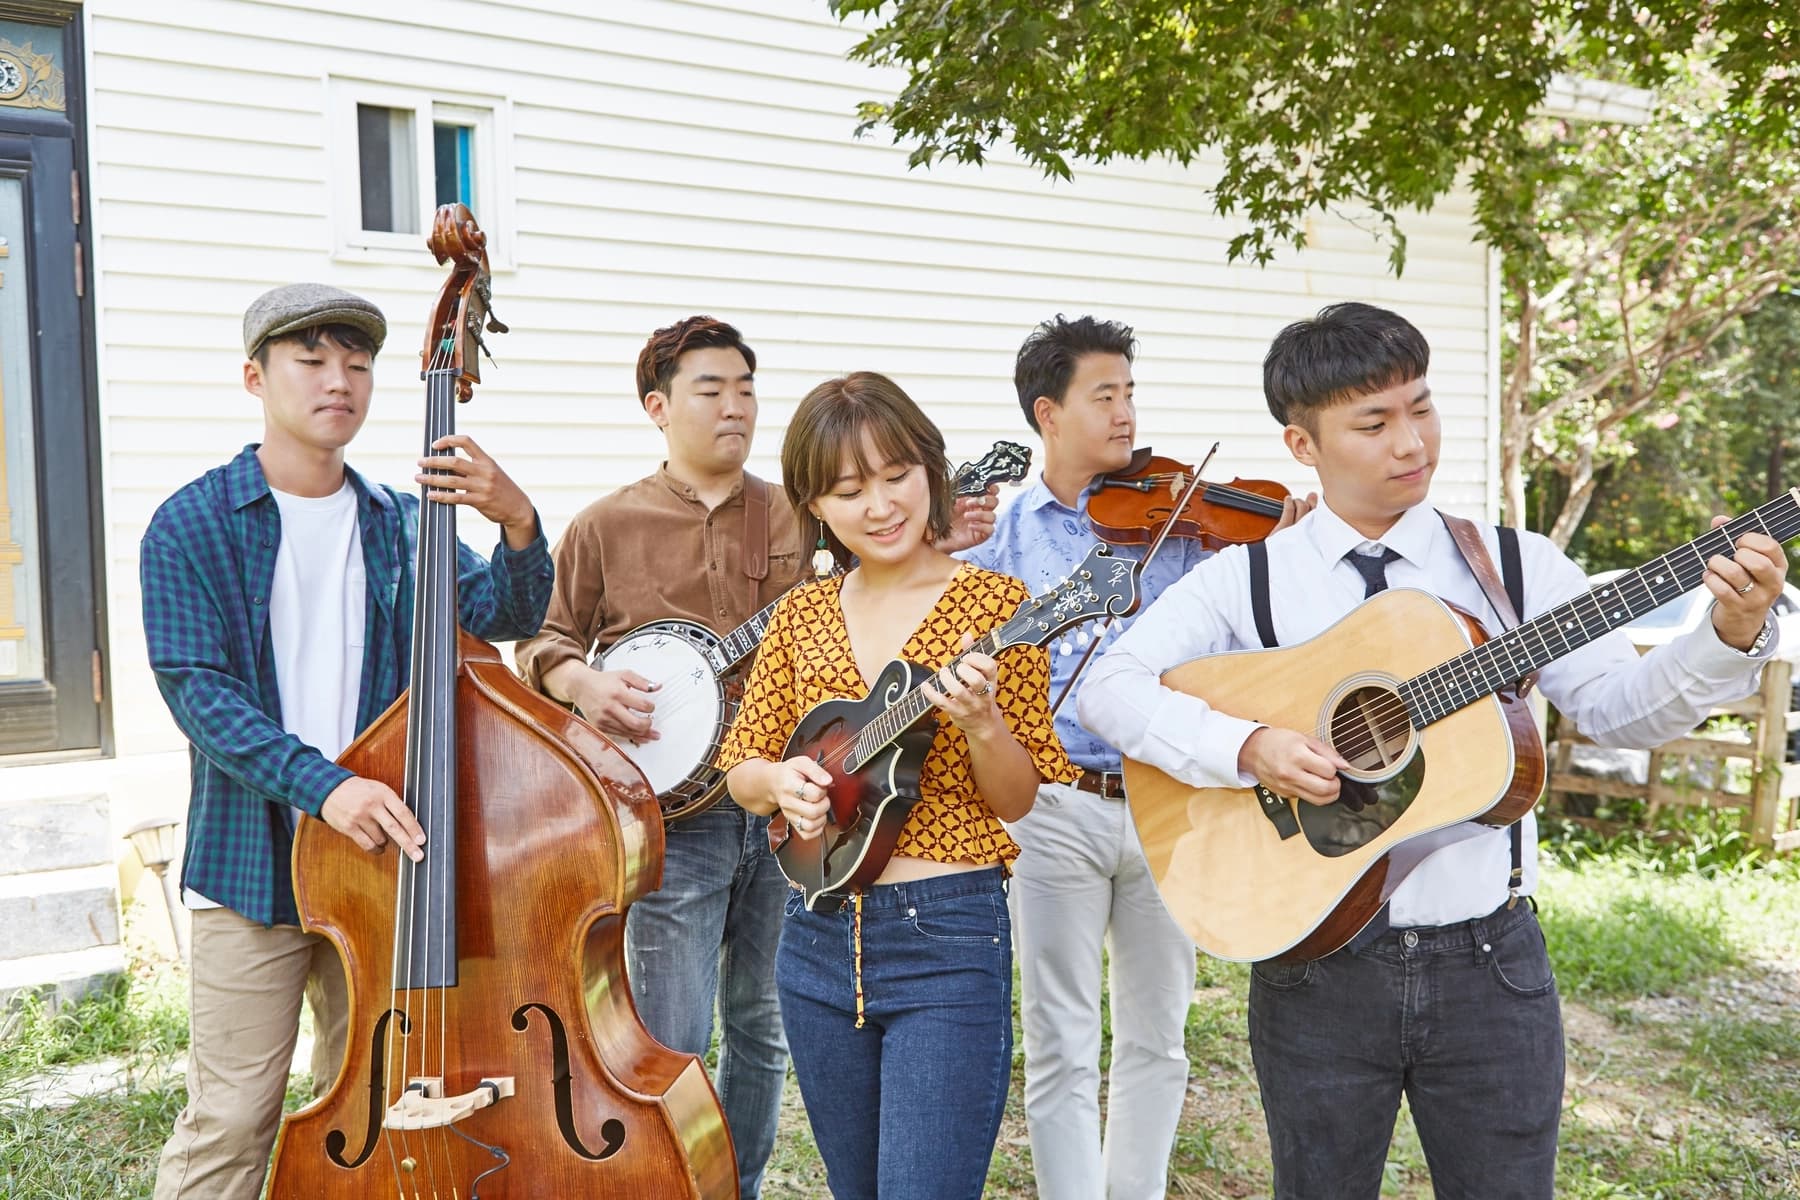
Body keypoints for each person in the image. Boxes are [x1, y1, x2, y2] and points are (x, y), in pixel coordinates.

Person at [1077, 301, 1786, 1199]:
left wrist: (1727, 631)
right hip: (1314, 974)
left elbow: (1619, 711)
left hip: (1491, 967)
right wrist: (1245, 745)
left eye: (1421, 407)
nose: (1411, 440)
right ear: (1304, 445)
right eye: (1374, 423)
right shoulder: (1246, 577)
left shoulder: (1516, 567)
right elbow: (1107, 686)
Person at [143, 282, 552, 1200]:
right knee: (232, 1119)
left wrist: (517, 522)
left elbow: (503, 616)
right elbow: (198, 693)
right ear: (256, 376)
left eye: (359, 364)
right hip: (255, 866)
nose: (341, 381)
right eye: (313, 360)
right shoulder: (191, 524)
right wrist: (325, 786)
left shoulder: (404, 523)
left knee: (367, 1111)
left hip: (381, 874)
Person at [956, 313, 1310, 1198]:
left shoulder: (1192, 530)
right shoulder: (1001, 544)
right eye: (1103, 395)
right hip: (1056, 805)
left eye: (1130, 394)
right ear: (1049, 413)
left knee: (1159, 1035)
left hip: (1171, 802)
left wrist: (1290, 542)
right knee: (1060, 1038)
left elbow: (1253, 637)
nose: (1125, 414)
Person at [717, 371, 1078, 1200]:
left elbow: (1017, 799)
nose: (879, 505)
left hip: (945, 939)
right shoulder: (801, 614)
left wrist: (983, 724)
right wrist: (783, 780)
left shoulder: (997, 606)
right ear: (815, 505)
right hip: (813, 937)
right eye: (848, 489)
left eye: (895, 476)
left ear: (930, 472)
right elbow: (742, 766)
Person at [514, 315, 801, 1199]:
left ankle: (738, 1185)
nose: (735, 407)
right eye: (711, 389)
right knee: (672, 1032)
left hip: (790, 805)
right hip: (675, 826)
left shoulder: (797, 510)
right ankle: (670, 1185)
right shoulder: (605, 525)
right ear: (658, 406)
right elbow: (544, 645)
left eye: (747, 389)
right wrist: (584, 687)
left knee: (766, 1024)